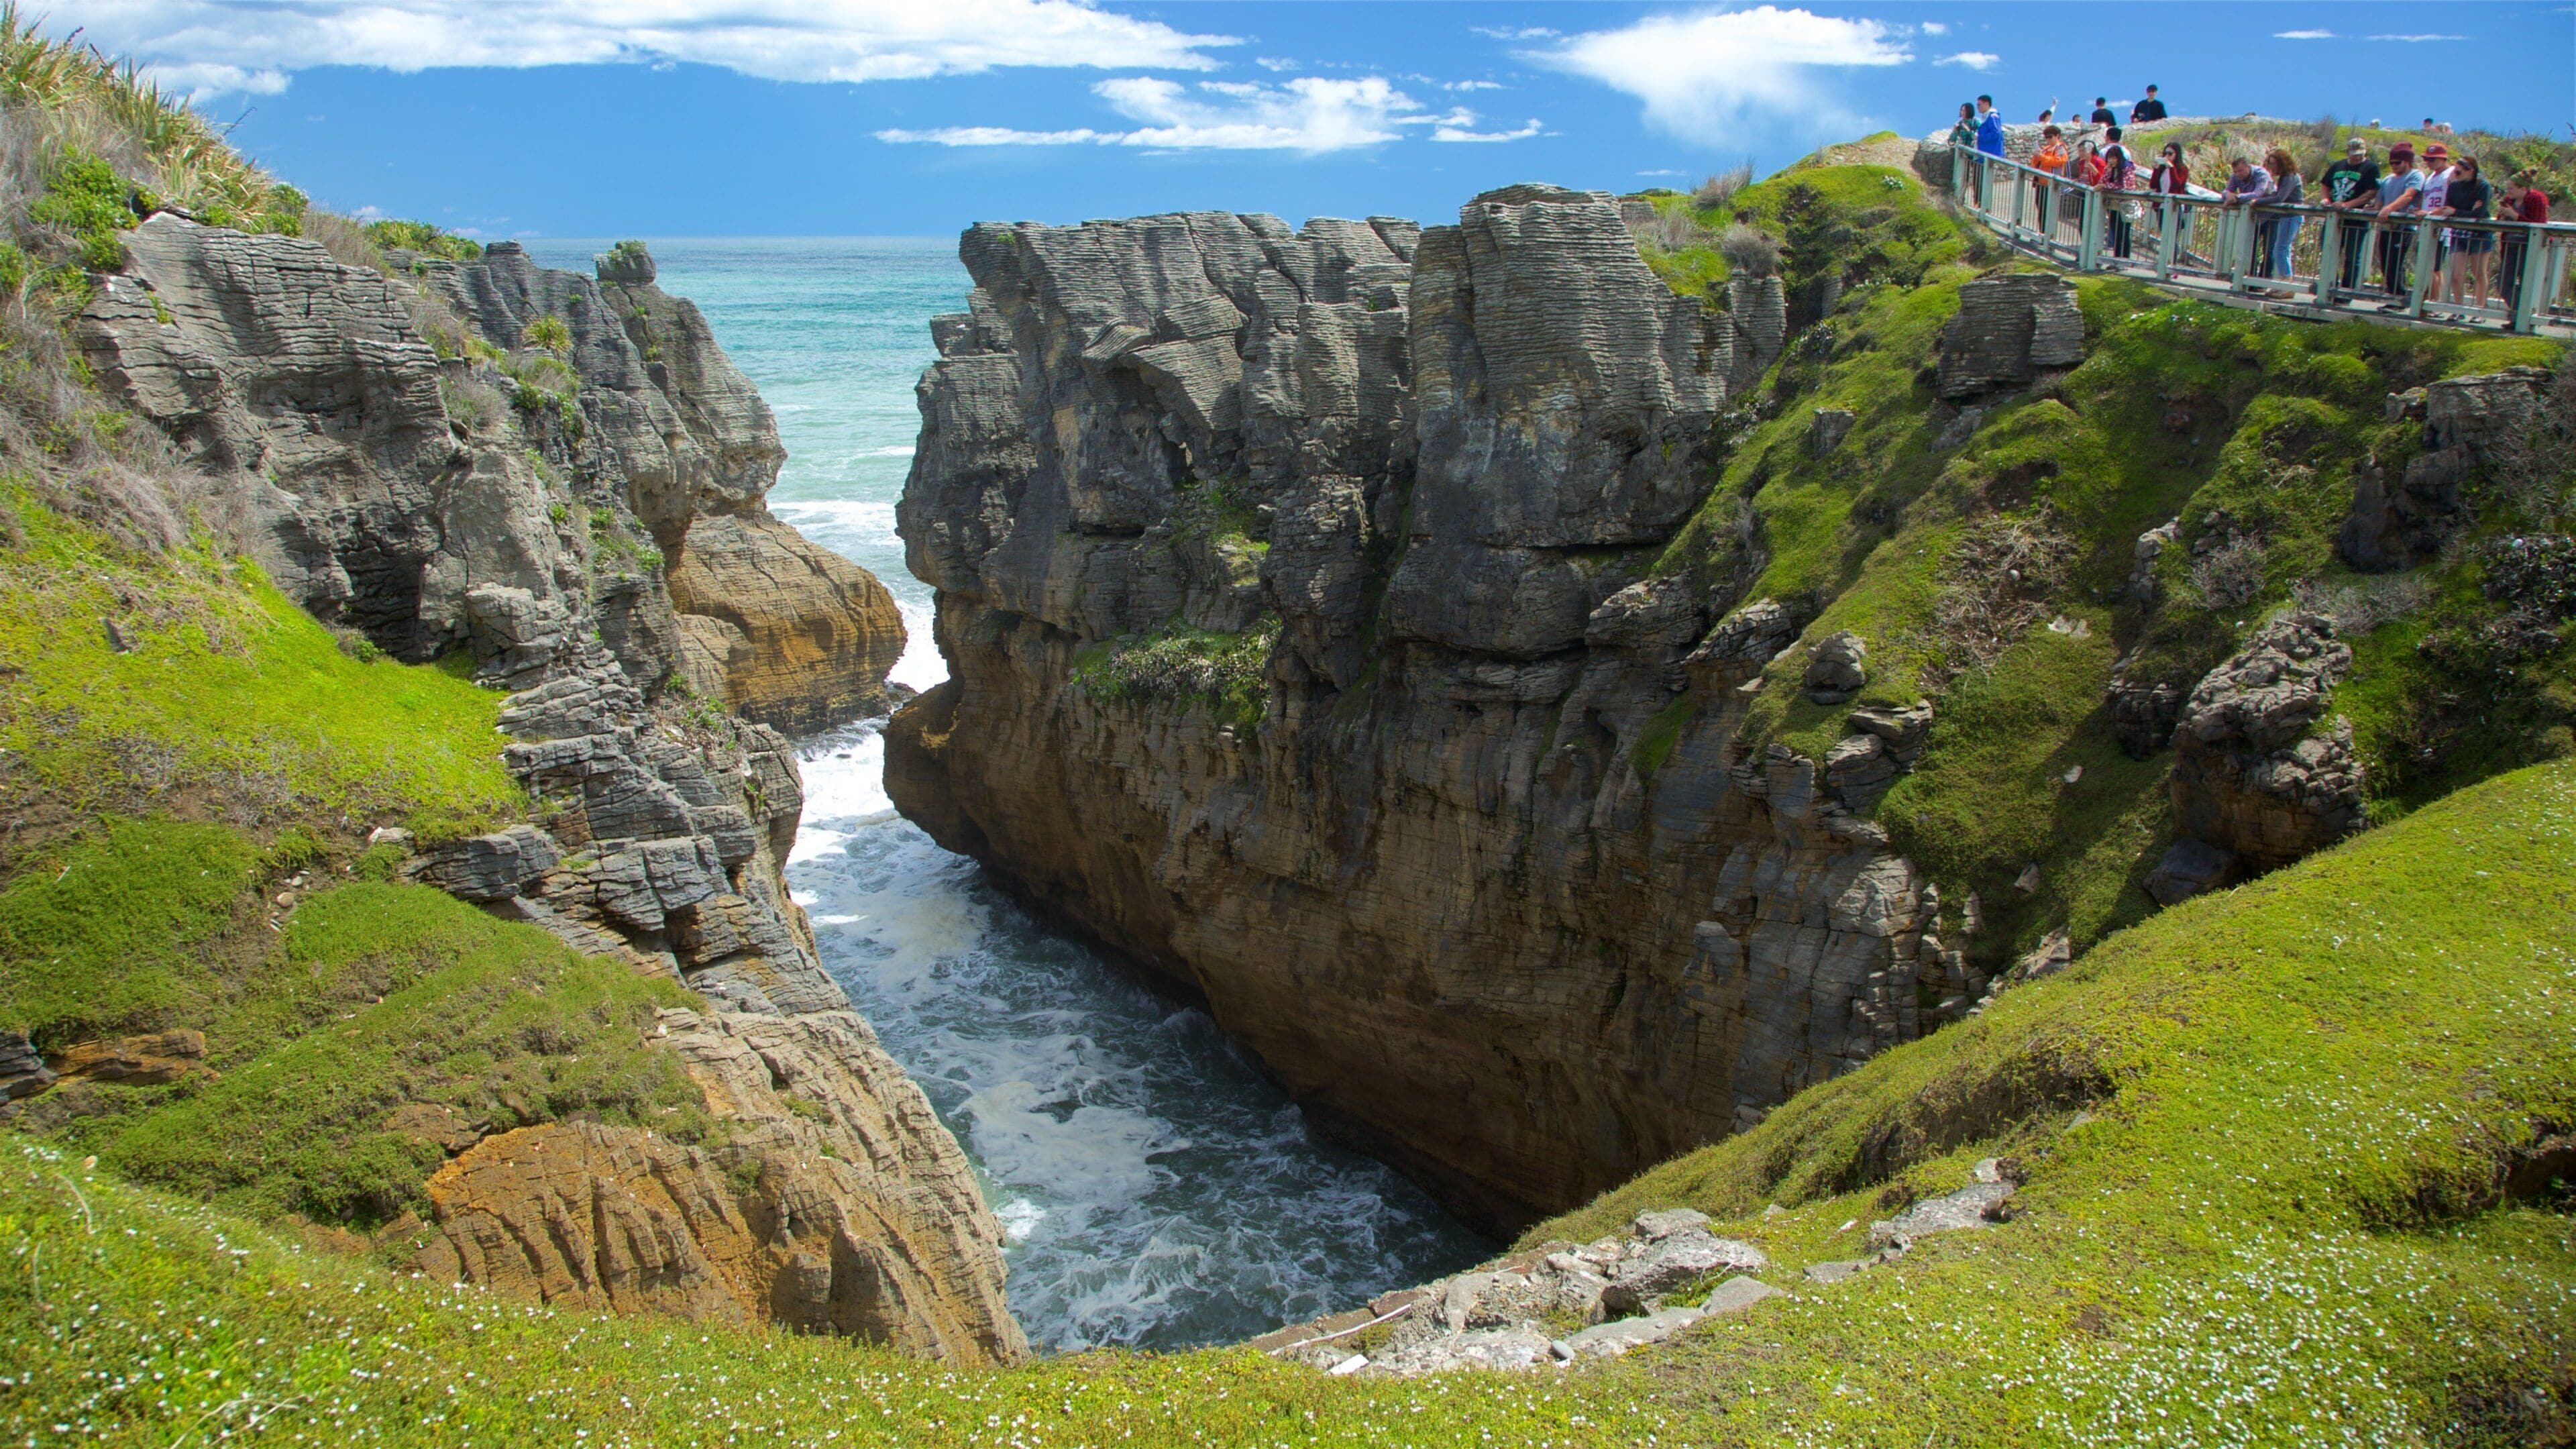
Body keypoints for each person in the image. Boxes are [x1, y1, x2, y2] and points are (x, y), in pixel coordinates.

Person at [2433, 154, 2496, 311]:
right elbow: (2448, 209)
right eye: (2455, 172)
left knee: (2479, 273)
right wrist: (2462, 211)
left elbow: (2479, 214)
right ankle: (2458, 308)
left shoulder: (2483, 186)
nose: (2455, 175)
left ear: (2471, 172)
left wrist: (2457, 211)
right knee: (2456, 274)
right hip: (2459, 234)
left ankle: (2480, 309)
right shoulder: (2454, 187)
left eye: (2459, 173)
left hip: (2479, 235)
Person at [2319, 138, 2381, 293]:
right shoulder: (2337, 165)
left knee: (2352, 257)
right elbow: (2326, 184)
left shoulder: (2371, 168)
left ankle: (2347, 291)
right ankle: (2329, 285)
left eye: (2359, 154)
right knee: (2328, 251)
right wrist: (2326, 199)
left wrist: (2347, 205)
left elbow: (2371, 193)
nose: (2356, 157)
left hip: (2356, 219)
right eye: (2354, 154)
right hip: (2334, 219)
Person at [2373, 142, 2426, 301]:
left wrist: (2389, 209)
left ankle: (2398, 298)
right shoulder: (2387, 179)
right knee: (2385, 263)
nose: (2394, 166)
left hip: (2404, 228)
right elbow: (2379, 203)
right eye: (2391, 163)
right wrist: (2376, 209)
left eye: (2398, 162)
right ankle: (2392, 295)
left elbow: (2409, 195)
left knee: (2396, 262)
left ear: (2407, 161)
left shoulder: (2416, 176)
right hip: (2386, 228)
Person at [2256, 148, 2304, 291]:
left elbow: (2280, 198)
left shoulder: (2290, 177)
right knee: (2282, 248)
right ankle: (2284, 283)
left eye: (2274, 164)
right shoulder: (2285, 177)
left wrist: (2258, 201)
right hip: (2286, 217)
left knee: (2281, 249)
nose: (2272, 167)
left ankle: (2286, 284)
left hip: (2292, 216)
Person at [2100, 125, 2138, 257]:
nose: (2111, 160)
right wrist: (2108, 170)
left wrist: (2107, 186)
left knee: (2124, 232)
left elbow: (2124, 186)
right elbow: (2103, 181)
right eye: (2109, 158)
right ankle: (2116, 258)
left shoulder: (2127, 168)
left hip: (2125, 203)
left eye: (2114, 158)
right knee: (2116, 231)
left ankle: (2125, 258)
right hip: (2114, 204)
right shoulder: (2111, 168)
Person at [2030, 124, 2069, 233]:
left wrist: (2041, 157)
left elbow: (2057, 162)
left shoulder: (2061, 148)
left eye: (2050, 137)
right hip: (2041, 183)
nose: (2048, 139)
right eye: (2046, 137)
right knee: (2041, 209)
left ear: (2057, 136)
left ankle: (2047, 235)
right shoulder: (2046, 148)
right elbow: (2035, 164)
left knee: (2048, 210)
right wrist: (2036, 156)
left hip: (2052, 185)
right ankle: (2042, 233)